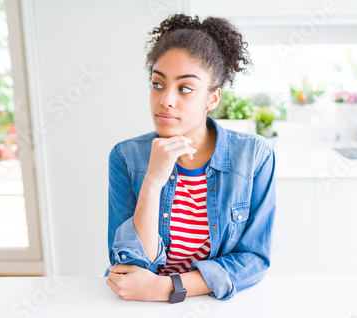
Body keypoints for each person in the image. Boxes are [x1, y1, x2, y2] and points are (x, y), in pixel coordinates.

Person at [105, 13, 276, 302]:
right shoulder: (126, 157)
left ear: (212, 98)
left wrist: (169, 287)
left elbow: (254, 259)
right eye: (158, 84)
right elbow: (130, 266)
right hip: (141, 308)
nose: (166, 99)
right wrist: (152, 183)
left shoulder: (255, 156)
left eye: (185, 88)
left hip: (212, 305)